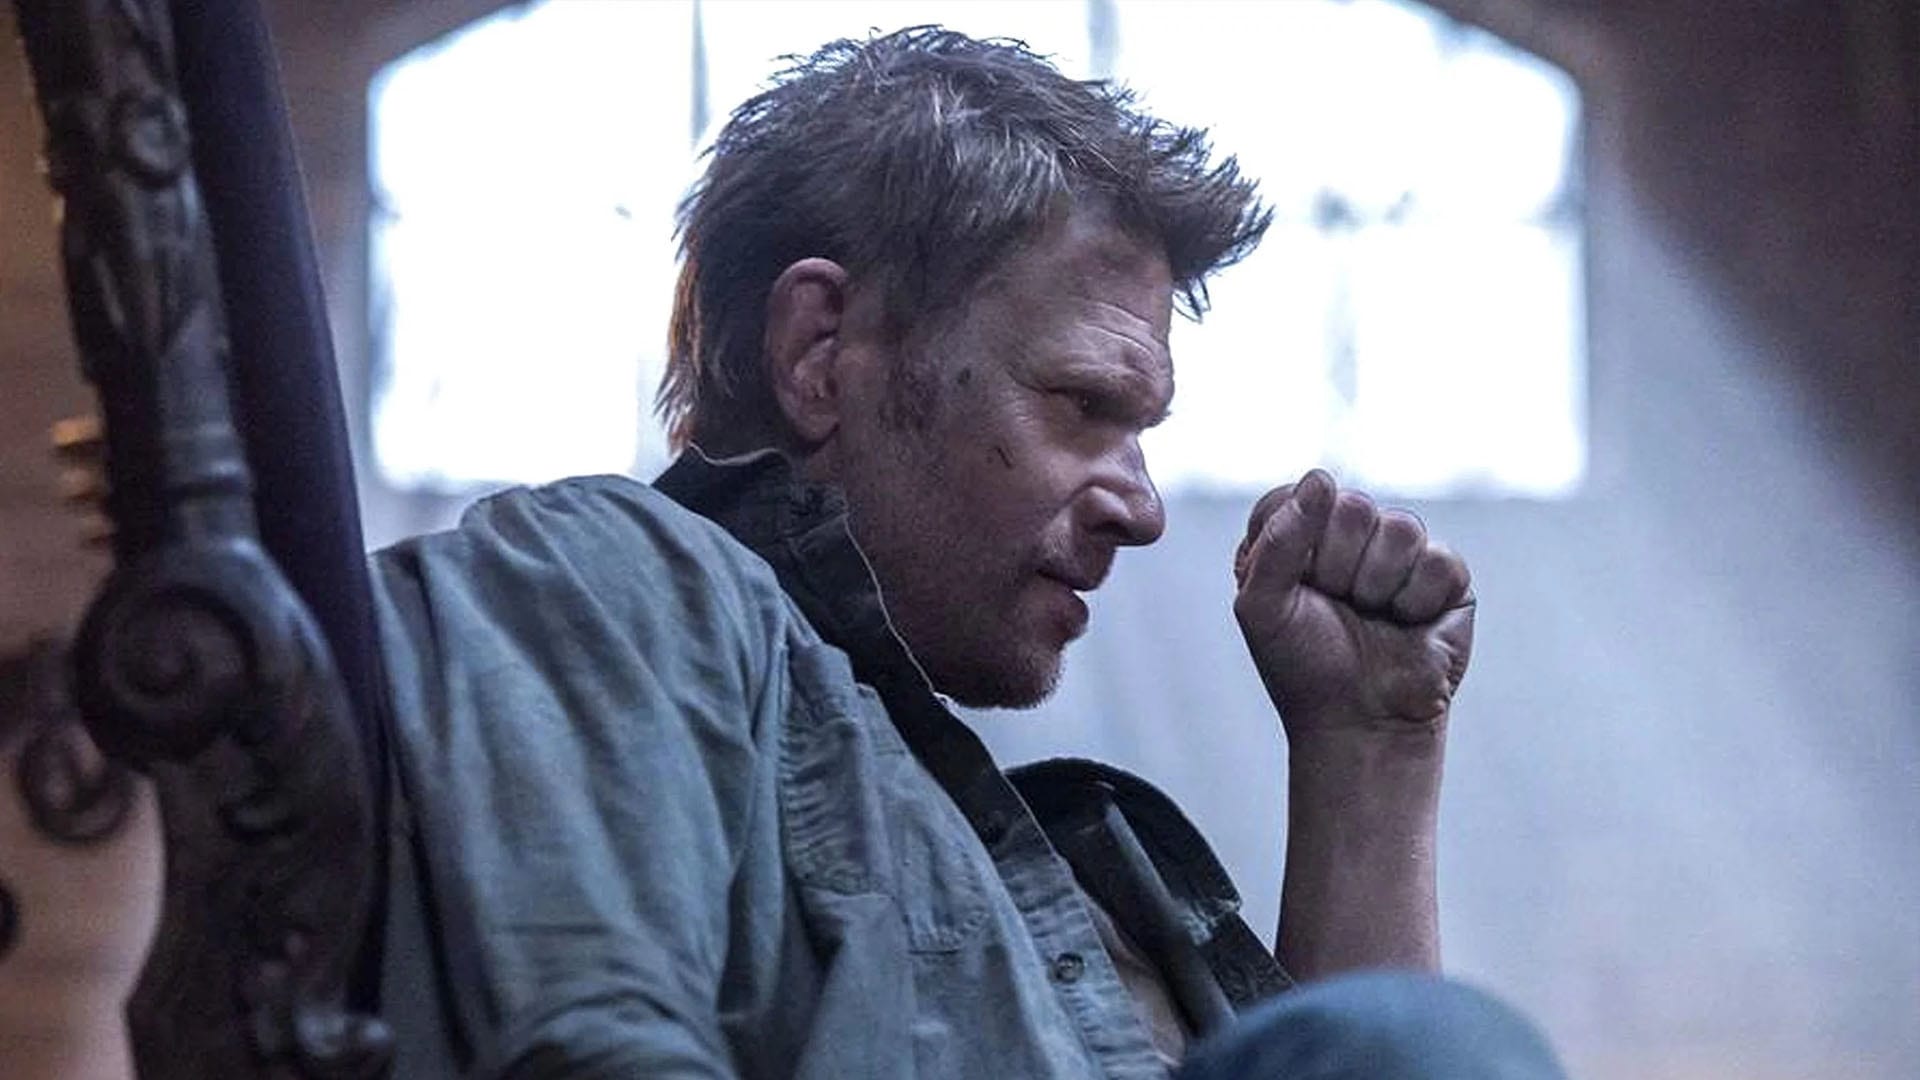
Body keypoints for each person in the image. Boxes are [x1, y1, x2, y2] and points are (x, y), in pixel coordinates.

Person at [371, 27, 1564, 1079]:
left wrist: (1368, 746)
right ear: (820, 351)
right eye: (1082, 404)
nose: (1143, 509)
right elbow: (581, 1047)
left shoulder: (1054, 869)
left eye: (1141, 433)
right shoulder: (607, 574)